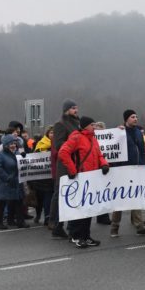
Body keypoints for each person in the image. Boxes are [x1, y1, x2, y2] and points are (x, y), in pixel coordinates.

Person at [58, 116, 110, 249]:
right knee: (80, 209)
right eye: (92, 124)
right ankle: (76, 236)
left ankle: (86, 236)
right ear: (85, 125)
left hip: (92, 177)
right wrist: (72, 169)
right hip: (81, 178)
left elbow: (99, 155)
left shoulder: (93, 138)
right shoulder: (76, 137)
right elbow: (63, 152)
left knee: (89, 209)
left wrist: (104, 164)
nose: (94, 126)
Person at [110, 110, 145, 237]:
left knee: (136, 196)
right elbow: (114, 151)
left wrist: (143, 165)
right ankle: (114, 227)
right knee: (120, 199)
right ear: (126, 119)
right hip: (123, 170)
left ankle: (139, 225)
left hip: (136, 169)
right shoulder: (120, 131)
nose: (136, 119)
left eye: (136, 117)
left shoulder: (138, 132)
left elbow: (142, 151)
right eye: (133, 117)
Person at [48, 100, 80, 239]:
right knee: (60, 193)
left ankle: (68, 225)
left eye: (76, 108)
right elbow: (59, 144)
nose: (76, 110)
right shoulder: (60, 124)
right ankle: (55, 223)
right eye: (73, 108)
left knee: (72, 194)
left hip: (76, 162)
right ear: (66, 110)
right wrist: (74, 144)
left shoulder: (76, 124)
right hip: (65, 164)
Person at [0, 134, 26, 230]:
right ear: (6, 145)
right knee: (2, 202)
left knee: (19, 201)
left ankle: (20, 221)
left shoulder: (17, 153)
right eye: (11, 143)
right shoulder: (0, 154)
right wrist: (7, 178)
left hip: (16, 182)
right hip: (5, 182)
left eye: (14, 143)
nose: (13, 145)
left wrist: (24, 156)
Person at [31, 126, 54, 226]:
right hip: (41, 176)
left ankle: (48, 217)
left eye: (54, 133)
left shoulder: (58, 143)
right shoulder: (41, 143)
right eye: (51, 132)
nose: (53, 135)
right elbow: (35, 157)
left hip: (51, 176)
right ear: (47, 134)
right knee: (40, 198)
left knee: (49, 197)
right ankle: (38, 214)